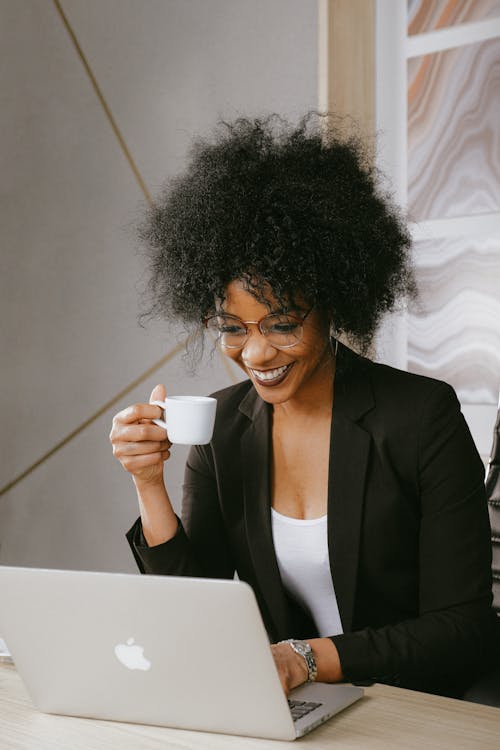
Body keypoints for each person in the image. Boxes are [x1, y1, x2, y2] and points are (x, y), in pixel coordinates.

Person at [110, 114, 498, 699]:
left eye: (283, 323)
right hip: (297, 709)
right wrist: (147, 483)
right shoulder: (224, 430)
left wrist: (305, 659)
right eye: (232, 327)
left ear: (334, 303)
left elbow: (463, 630)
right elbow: (199, 607)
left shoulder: (421, 417)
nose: (257, 351)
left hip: (415, 702)